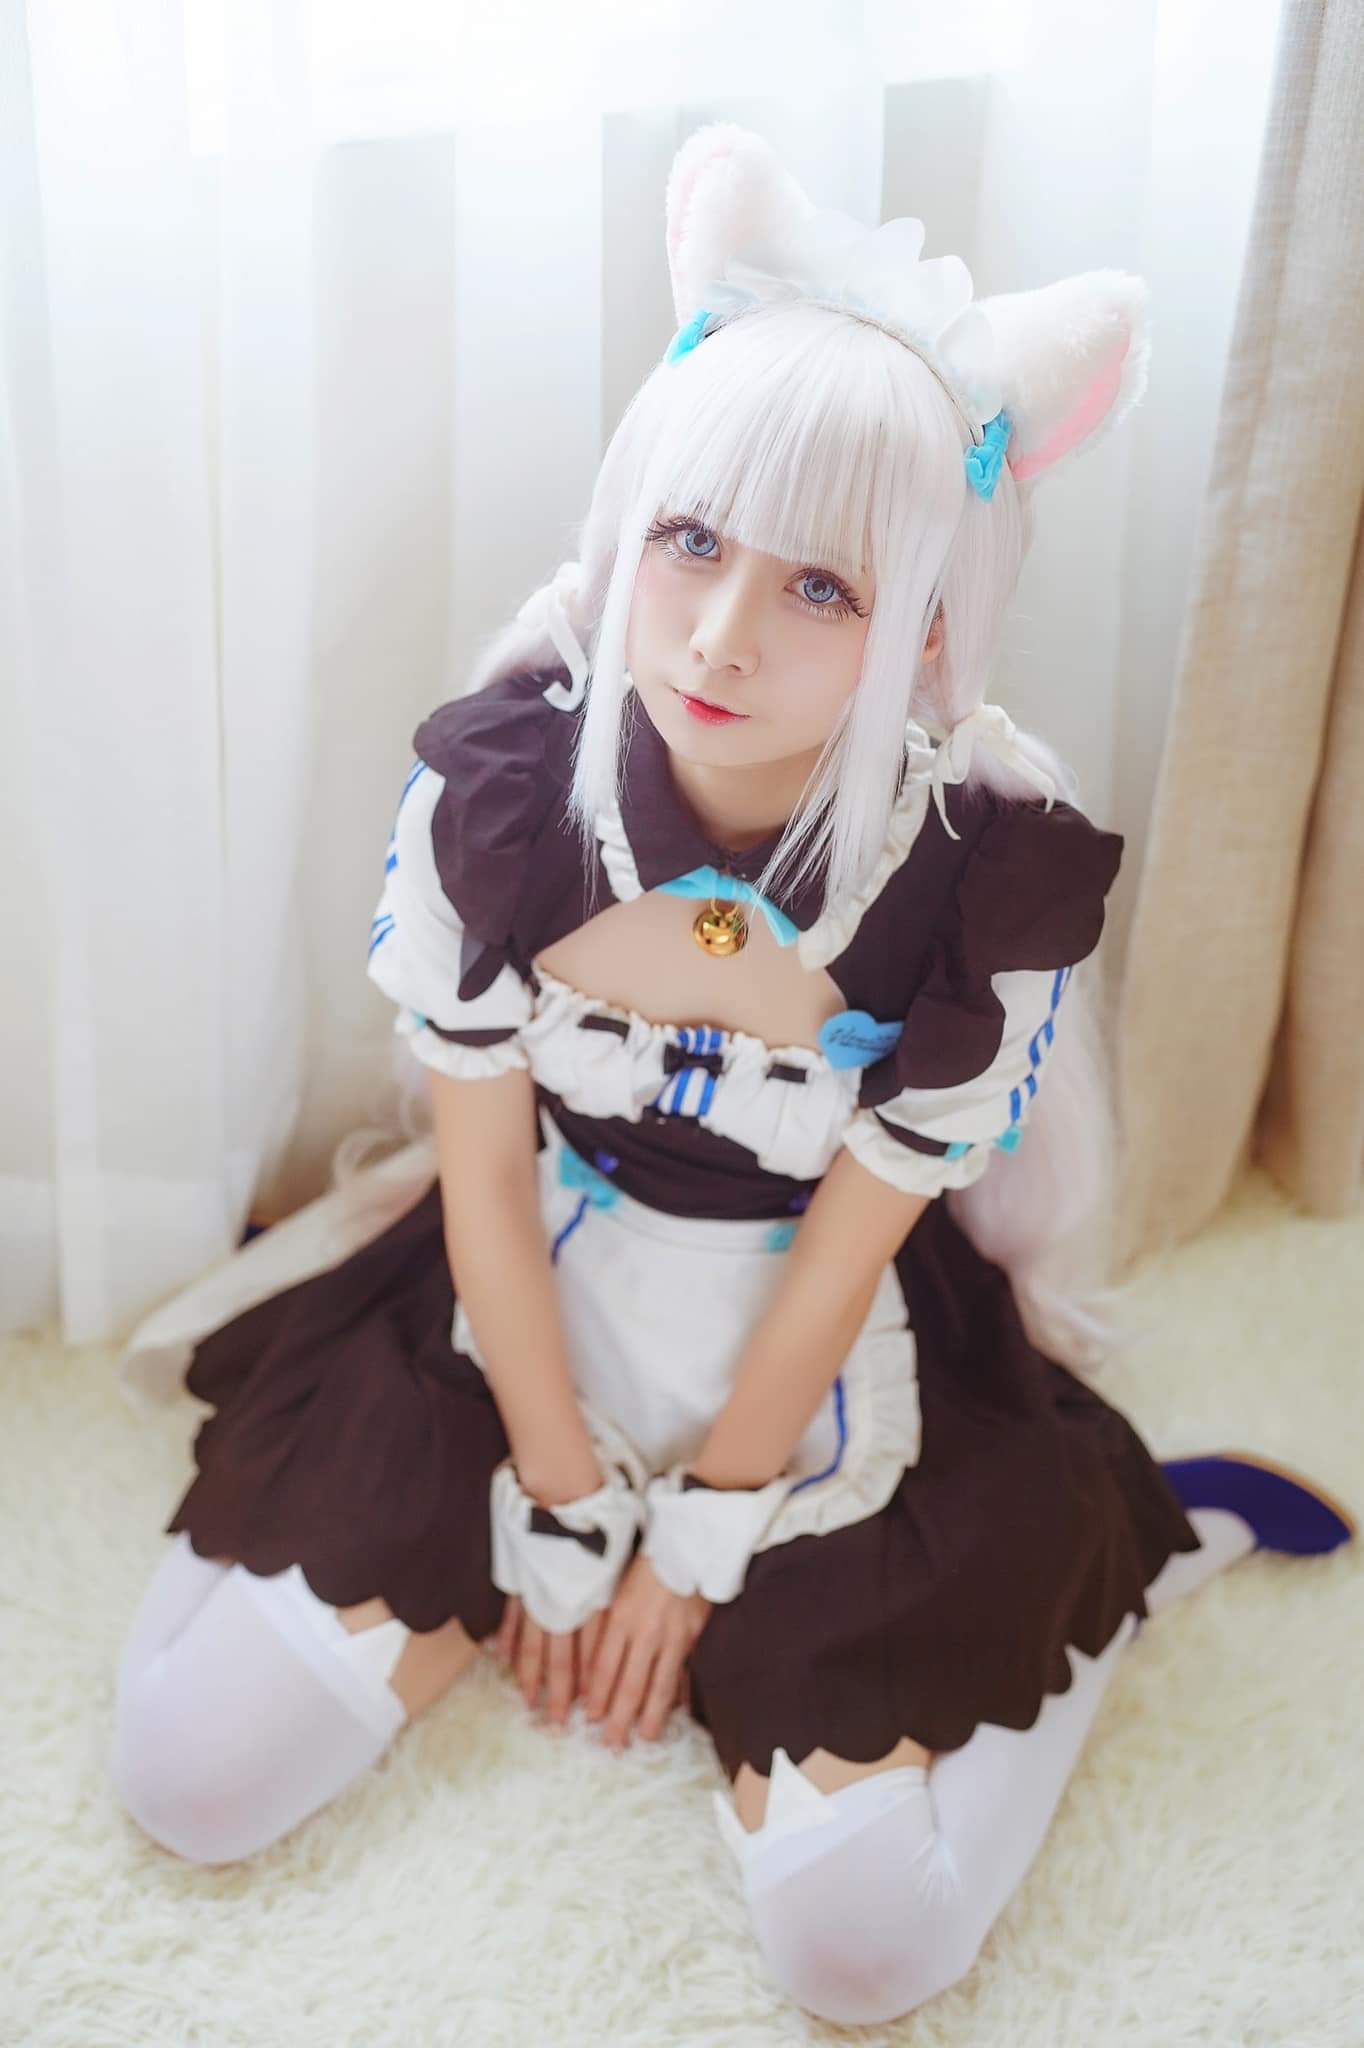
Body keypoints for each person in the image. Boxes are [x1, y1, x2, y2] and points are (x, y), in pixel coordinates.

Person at [110, 124, 1354, 2023]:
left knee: (864, 1957)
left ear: (927, 626)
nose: (719, 634)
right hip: (528, 1280)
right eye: (693, 541)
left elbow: (859, 1234)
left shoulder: (981, 875)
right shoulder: (507, 791)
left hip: (827, 1350)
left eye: (823, 588)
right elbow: (484, 1167)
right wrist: (553, 1495)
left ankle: (1113, 1571)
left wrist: (694, 1540)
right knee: (191, 1784)